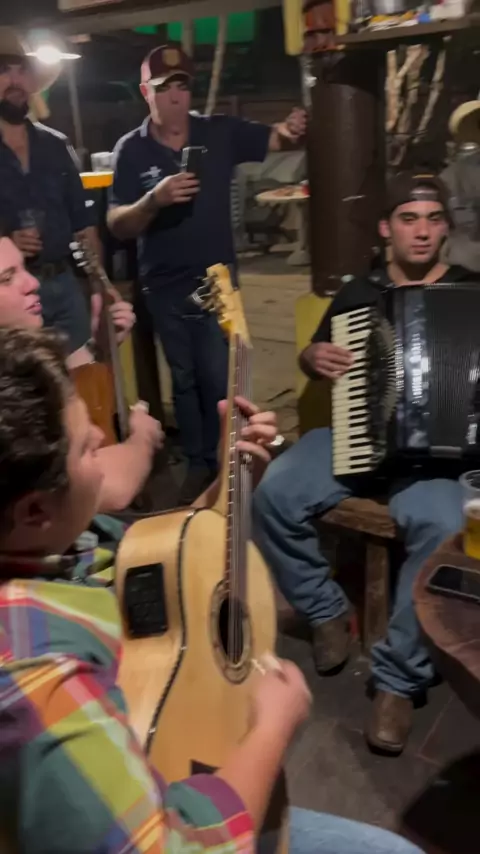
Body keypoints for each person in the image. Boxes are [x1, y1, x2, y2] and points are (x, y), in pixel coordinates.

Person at [0, 326, 425, 854]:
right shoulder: (35, 669)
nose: (104, 450)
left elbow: (167, 560)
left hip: (159, 770)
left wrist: (232, 479)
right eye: (89, 449)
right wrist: (271, 727)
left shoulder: (55, 540)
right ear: (34, 511)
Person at [252, 170, 478, 755]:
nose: (421, 231)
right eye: (408, 219)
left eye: (432, 219)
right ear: (385, 229)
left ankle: (399, 680)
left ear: (445, 229)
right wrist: (311, 355)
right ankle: (325, 611)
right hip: (360, 438)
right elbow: (318, 353)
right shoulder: (360, 292)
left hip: (439, 460)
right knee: (273, 493)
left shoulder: (471, 292)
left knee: (444, 528)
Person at [108, 43, 307, 504]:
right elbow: (117, 223)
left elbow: (278, 139)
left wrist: (294, 128)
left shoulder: (219, 131)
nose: (176, 96)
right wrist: (154, 199)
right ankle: (199, 464)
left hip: (218, 285)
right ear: (146, 92)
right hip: (164, 285)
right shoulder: (131, 149)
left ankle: (231, 465)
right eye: (165, 87)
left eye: (182, 85)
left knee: (224, 379)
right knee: (184, 380)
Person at [0, 223, 163, 514]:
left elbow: (72, 375)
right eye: (7, 278)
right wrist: (143, 438)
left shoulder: (18, 358)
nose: (32, 283)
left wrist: (100, 343)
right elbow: (99, 488)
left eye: (24, 269)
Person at [0, 27, 102, 355]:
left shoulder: (55, 145)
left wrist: (99, 286)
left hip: (65, 286)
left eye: (22, 70)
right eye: (3, 70)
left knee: (85, 377)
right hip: (11, 297)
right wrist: (7, 242)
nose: (15, 81)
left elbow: (84, 225)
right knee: (29, 382)